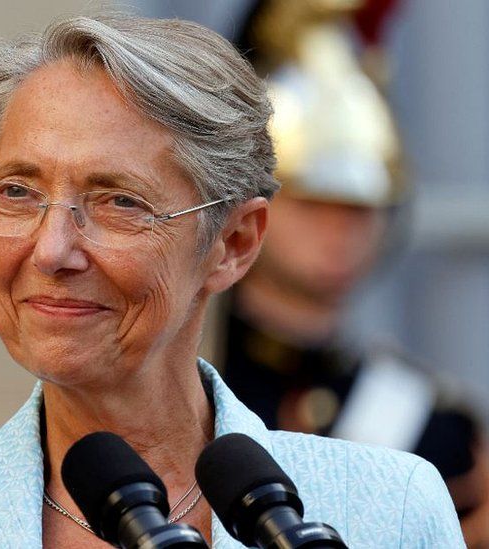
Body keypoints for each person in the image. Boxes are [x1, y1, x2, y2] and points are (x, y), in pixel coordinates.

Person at [0, 12, 464, 548]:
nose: (52, 250)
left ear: (233, 244)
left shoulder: (389, 508)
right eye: (16, 192)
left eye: (119, 202)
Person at [198, 2, 489, 545]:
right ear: (248, 210)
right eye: (313, 201)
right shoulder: (185, 395)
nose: (340, 230)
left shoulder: (436, 427)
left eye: (360, 207)